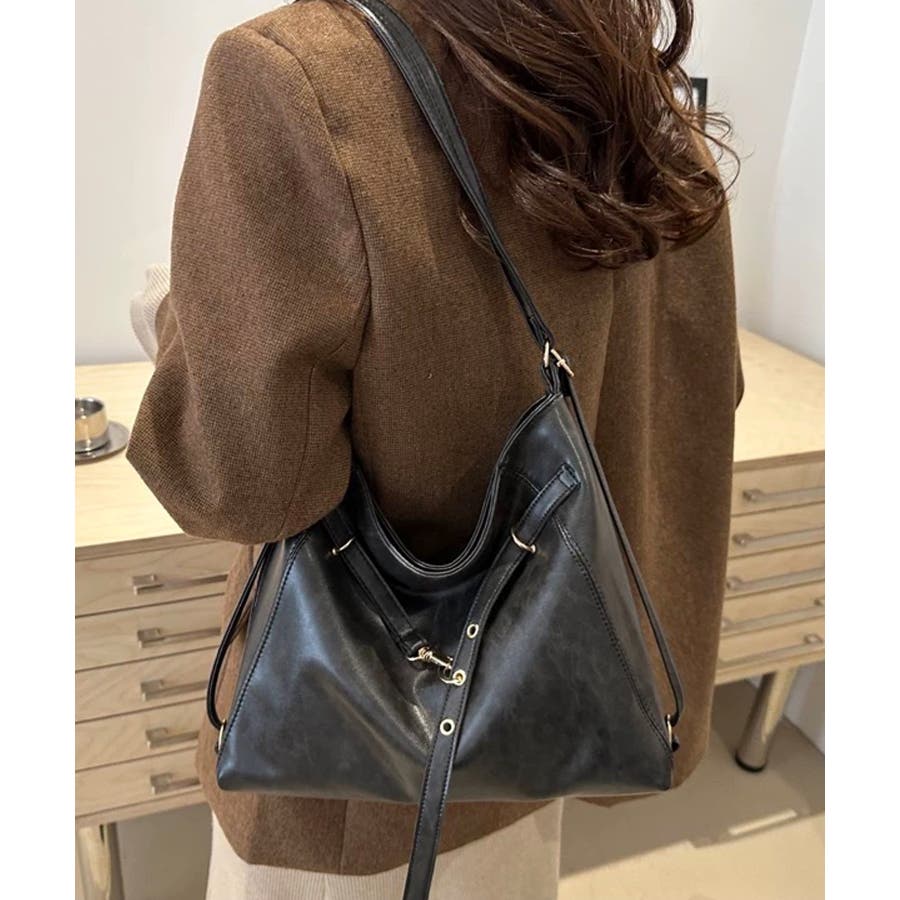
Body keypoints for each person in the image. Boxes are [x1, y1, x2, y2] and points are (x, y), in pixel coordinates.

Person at [127, 1, 742, 897]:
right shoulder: (626, 77)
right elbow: (695, 389)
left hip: (352, 771)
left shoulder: (293, 73)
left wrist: (175, 316)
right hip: (548, 711)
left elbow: (242, 480)